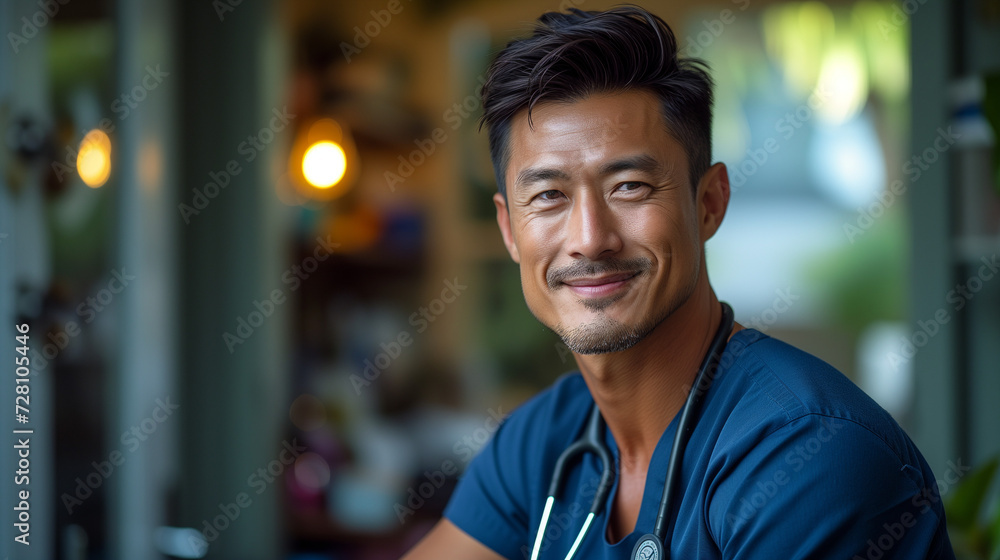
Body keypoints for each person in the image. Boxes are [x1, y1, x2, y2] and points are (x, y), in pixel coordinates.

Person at [403, 6, 955, 559]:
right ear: (508, 228)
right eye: (548, 196)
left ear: (710, 202)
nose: (590, 239)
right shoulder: (539, 446)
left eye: (630, 186)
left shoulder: (812, 454)